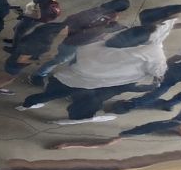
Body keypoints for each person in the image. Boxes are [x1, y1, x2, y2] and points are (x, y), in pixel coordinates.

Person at [18, 26, 167, 124]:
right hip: (93, 84)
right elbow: (158, 71)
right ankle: (76, 118)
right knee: (89, 103)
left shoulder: (94, 44)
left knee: (47, 95)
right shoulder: (151, 52)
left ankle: (26, 105)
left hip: (65, 78)